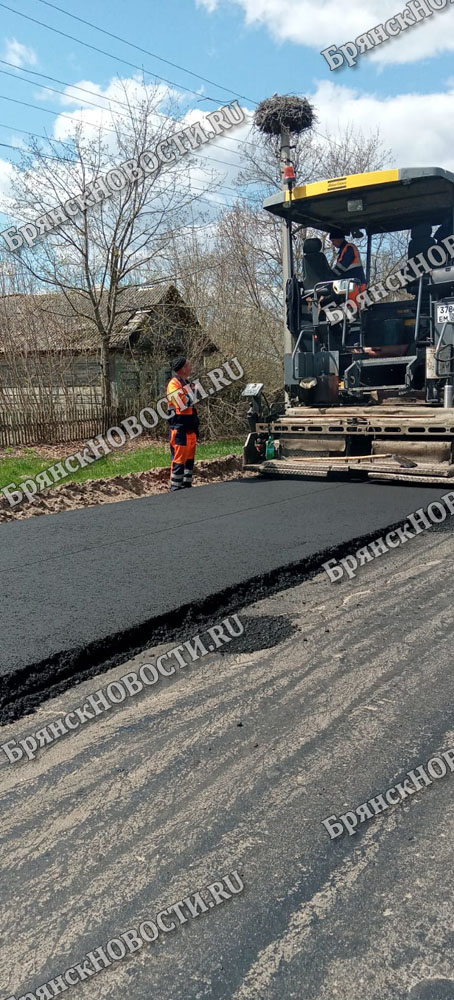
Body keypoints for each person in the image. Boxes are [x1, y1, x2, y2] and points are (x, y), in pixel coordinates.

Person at [166, 357, 200, 492]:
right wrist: (194, 394)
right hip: (179, 427)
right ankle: (176, 486)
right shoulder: (173, 384)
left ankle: (186, 484)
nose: (191, 368)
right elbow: (183, 403)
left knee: (189, 457)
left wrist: (193, 395)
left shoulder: (186, 383)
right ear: (182, 369)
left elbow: (192, 401)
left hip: (189, 427)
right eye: (189, 366)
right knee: (179, 458)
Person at [329, 229, 366, 304]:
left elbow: (341, 268)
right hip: (349, 286)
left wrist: (329, 277)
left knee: (355, 310)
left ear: (339, 239)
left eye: (333, 241)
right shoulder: (343, 250)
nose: (333, 244)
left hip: (356, 286)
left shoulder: (349, 248)